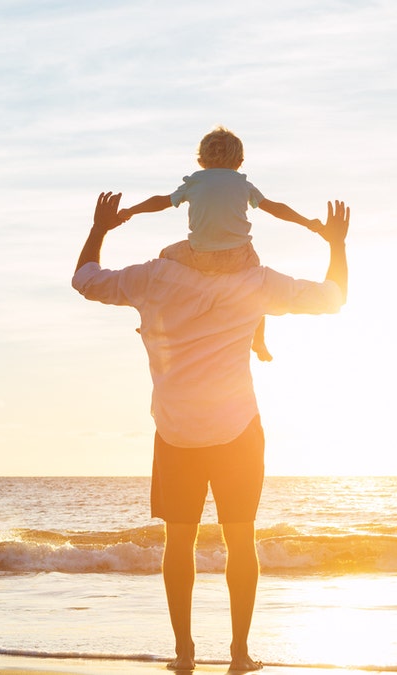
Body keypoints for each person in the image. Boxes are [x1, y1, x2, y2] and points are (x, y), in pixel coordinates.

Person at [73, 192, 350, 671]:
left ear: (192, 217)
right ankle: (239, 655)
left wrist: (100, 229)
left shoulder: (153, 275)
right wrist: (336, 244)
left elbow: (85, 280)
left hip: (177, 430)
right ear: (241, 223)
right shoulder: (256, 281)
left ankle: (184, 654)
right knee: (241, 540)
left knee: (178, 542)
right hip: (238, 429)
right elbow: (333, 298)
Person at [116, 126, 323, 362]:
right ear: (240, 161)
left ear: (201, 160)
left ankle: (153, 319)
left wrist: (130, 211)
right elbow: (275, 208)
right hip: (239, 257)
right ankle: (259, 341)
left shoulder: (194, 182)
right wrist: (307, 222)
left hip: (200, 256)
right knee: (257, 289)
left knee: (164, 256)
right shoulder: (243, 184)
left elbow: (160, 202)